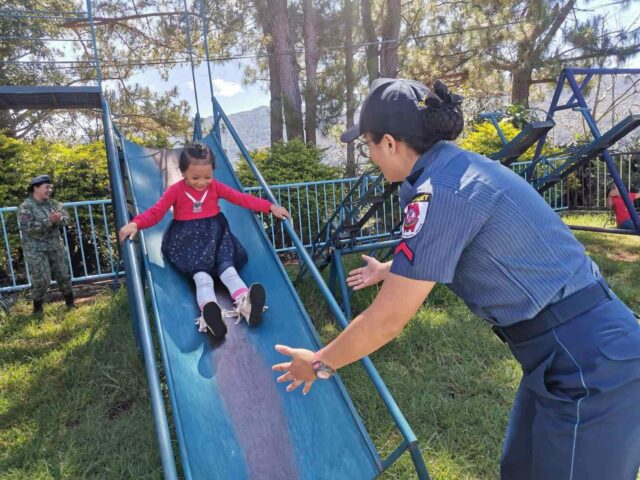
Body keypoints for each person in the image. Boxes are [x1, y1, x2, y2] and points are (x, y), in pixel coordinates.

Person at [272, 79, 640, 479]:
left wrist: (320, 363)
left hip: (589, 362)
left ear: (391, 144)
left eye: (369, 146)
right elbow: (451, 246)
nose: (371, 157)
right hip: (563, 351)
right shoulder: (454, 170)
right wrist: (389, 270)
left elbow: (388, 321)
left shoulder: (441, 191)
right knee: (518, 469)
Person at [119, 142, 290, 338]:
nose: (202, 182)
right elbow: (156, 212)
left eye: (207, 177)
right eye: (195, 177)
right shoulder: (175, 191)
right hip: (188, 241)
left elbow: (240, 198)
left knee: (228, 270)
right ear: (183, 172)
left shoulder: (215, 187)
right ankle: (209, 313)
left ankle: (247, 304)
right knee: (202, 279)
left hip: (216, 236)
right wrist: (136, 224)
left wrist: (270, 207)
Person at [18, 174, 74, 316]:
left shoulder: (55, 204)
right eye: (46, 187)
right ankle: (37, 311)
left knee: (64, 275)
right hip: (36, 249)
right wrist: (49, 221)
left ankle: (70, 305)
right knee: (41, 280)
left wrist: (59, 218)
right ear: (36, 188)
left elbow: (67, 219)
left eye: (50, 187)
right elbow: (28, 228)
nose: (50, 190)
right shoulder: (26, 206)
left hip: (56, 246)